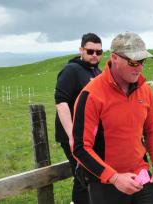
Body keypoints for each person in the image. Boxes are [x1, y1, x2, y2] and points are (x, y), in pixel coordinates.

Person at [72, 32, 153, 204]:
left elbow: (151, 130)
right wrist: (114, 178)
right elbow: (80, 148)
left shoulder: (144, 90)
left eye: (142, 61)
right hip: (106, 183)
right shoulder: (91, 94)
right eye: (132, 62)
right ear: (114, 58)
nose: (139, 67)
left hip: (140, 176)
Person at [54, 32, 103, 204]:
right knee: (83, 176)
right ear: (81, 50)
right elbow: (61, 103)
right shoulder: (71, 70)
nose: (95, 55)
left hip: (91, 135)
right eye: (90, 51)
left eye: (99, 52)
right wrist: (72, 136)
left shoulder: (98, 72)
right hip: (74, 136)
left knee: (91, 175)